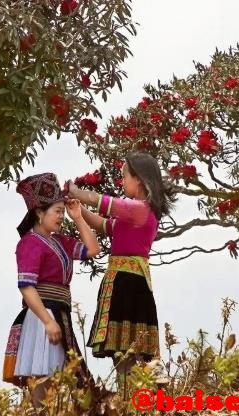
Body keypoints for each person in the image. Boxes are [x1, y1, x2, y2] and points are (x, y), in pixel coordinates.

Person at [65, 152, 175, 393]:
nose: (121, 181)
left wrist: (75, 191)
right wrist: (78, 211)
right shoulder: (135, 214)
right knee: (122, 351)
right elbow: (104, 225)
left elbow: (101, 202)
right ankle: (135, 398)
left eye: (125, 176)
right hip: (125, 282)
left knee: (126, 351)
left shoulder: (139, 209)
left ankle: (138, 398)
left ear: (140, 180)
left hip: (128, 285)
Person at [2, 172, 100, 407]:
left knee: (64, 380)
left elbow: (93, 249)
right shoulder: (29, 243)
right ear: (39, 212)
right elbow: (26, 287)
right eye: (57, 211)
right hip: (41, 318)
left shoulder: (61, 241)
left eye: (62, 212)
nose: (61, 217)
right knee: (41, 378)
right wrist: (47, 320)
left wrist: (78, 218)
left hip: (60, 316)